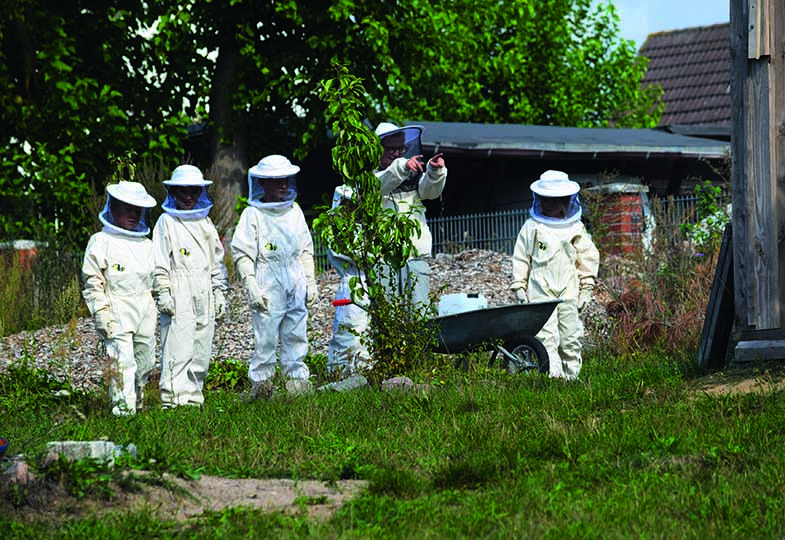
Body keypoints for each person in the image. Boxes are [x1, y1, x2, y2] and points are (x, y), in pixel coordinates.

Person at [231, 155, 318, 399]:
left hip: (295, 278)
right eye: (277, 181)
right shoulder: (253, 215)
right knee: (266, 337)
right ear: (264, 184)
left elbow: (305, 249)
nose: (283, 185)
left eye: (286, 180)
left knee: (296, 333)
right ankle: (261, 385)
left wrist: (310, 280)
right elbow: (242, 253)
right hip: (267, 280)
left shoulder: (295, 210)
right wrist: (251, 285)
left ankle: (297, 382)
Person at [510, 170, 600, 380]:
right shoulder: (532, 226)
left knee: (570, 336)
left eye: (554, 201)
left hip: (568, 288)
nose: (549, 205)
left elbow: (587, 257)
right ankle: (553, 379)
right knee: (545, 336)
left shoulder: (575, 228)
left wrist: (587, 288)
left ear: (565, 201)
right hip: (540, 288)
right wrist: (519, 287)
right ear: (539, 200)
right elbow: (521, 257)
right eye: (545, 200)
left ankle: (572, 378)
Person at [152, 164, 228, 408]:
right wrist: (163, 291)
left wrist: (218, 291)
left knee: (200, 345)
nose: (188, 197)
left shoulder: (205, 222)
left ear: (200, 193)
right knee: (177, 346)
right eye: (183, 191)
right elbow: (160, 261)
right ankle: (172, 400)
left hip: (203, 289)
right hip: (179, 288)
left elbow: (216, 260)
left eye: (193, 192)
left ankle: (193, 399)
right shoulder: (166, 222)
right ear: (173, 192)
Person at [82, 181, 157, 416]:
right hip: (116, 307)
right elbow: (93, 280)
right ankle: (123, 410)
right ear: (113, 209)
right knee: (122, 361)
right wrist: (100, 311)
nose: (133, 215)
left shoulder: (147, 245)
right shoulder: (100, 241)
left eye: (137, 210)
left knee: (145, 360)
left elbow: (156, 279)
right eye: (127, 209)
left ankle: (139, 403)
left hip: (145, 307)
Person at [374, 122, 447, 313]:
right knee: (386, 316)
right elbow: (379, 186)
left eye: (401, 148)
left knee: (418, 315)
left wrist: (434, 172)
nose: (396, 153)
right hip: (382, 260)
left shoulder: (409, 172)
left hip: (415, 257)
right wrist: (402, 167)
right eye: (391, 148)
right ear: (377, 149)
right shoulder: (369, 179)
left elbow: (429, 192)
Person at [326, 185, 372, 376]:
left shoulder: (367, 227)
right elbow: (358, 256)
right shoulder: (335, 230)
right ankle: (341, 373)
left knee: (368, 334)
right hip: (351, 285)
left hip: (371, 284)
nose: (353, 208)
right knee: (350, 332)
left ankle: (367, 373)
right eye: (348, 204)